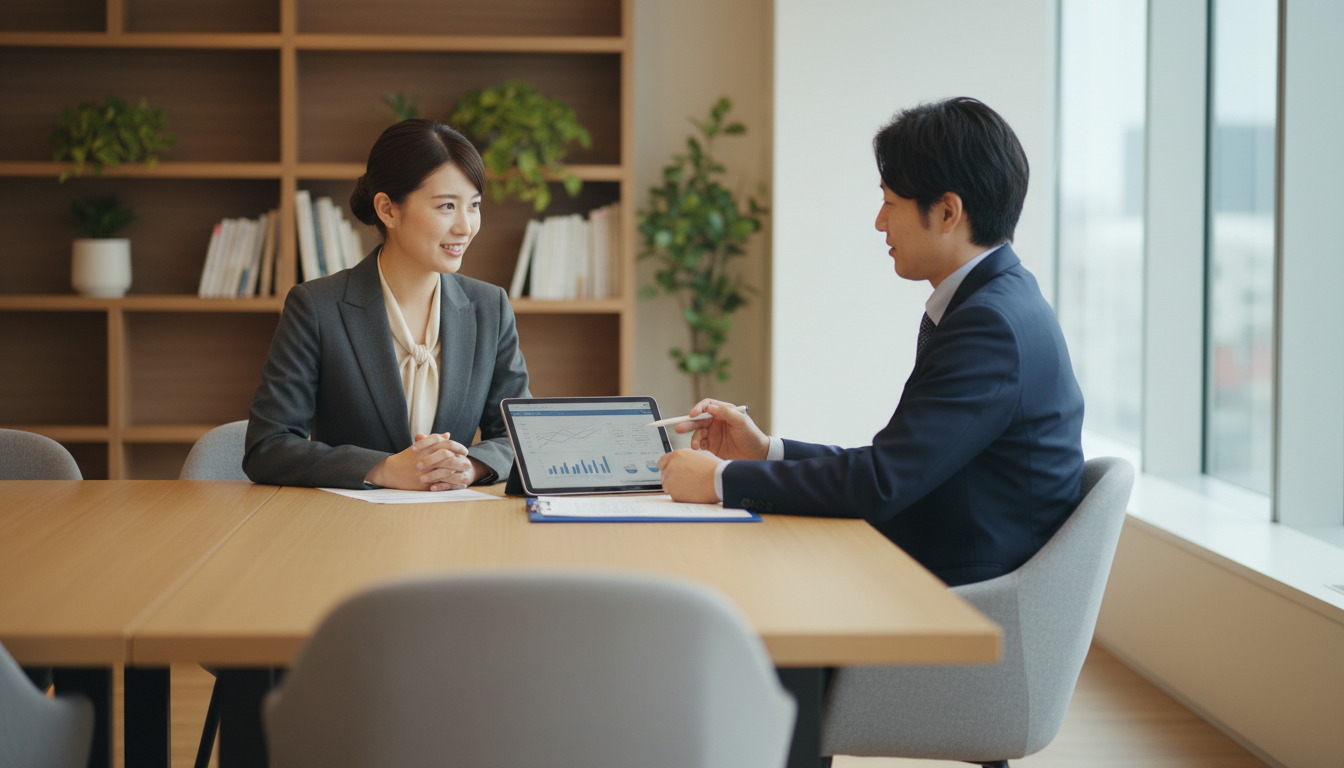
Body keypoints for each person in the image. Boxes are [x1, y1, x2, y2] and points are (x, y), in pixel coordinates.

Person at [657, 97, 1084, 587]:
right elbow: (897, 465)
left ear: (947, 211)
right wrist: (764, 450)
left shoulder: (989, 325)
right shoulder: (1003, 300)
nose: (880, 222)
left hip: (964, 594)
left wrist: (718, 479)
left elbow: (881, 483)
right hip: (943, 562)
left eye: (890, 202)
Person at [244, 118, 531, 490]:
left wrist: (471, 466)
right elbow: (268, 447)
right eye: (447, 206)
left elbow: (520, 435)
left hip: (452, 518)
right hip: (347, 520)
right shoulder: (316, 307)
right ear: (388, 209)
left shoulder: (490, 307)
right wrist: (380, 469)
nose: (465, 226)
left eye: (473, 205)